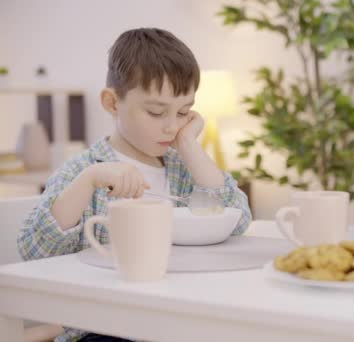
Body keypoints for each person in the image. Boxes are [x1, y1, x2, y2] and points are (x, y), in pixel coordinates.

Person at [17, 28, 252, 342]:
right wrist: (88, 182)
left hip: (178, 317)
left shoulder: (183, 169)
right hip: (107, 327)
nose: (171, 125)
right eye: (156, 112)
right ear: (112, 103)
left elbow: (238, 220)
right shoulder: (85, 170)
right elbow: (35, 250)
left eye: (183, 112)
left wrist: (189, 145)